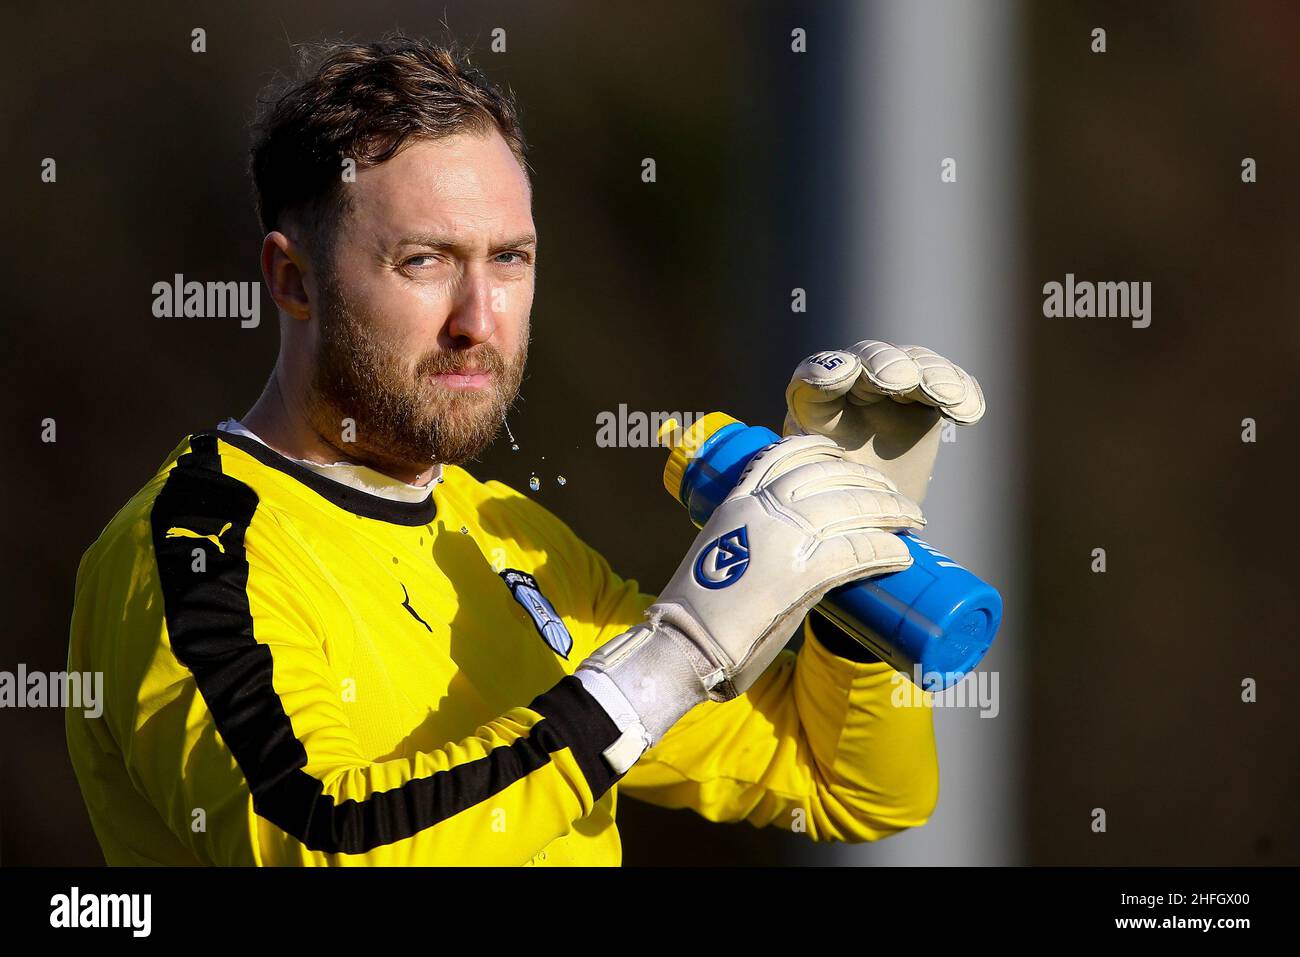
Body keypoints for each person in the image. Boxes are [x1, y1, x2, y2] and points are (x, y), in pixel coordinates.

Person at [65, 36, 984, 866]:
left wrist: (851, 590)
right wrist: (663, 662)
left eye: (510, 258)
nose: (480, 319)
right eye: (423, 260)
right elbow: (326, 844)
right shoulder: (195, 546)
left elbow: (846, 784)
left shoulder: (500, 530)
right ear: (292, 279)